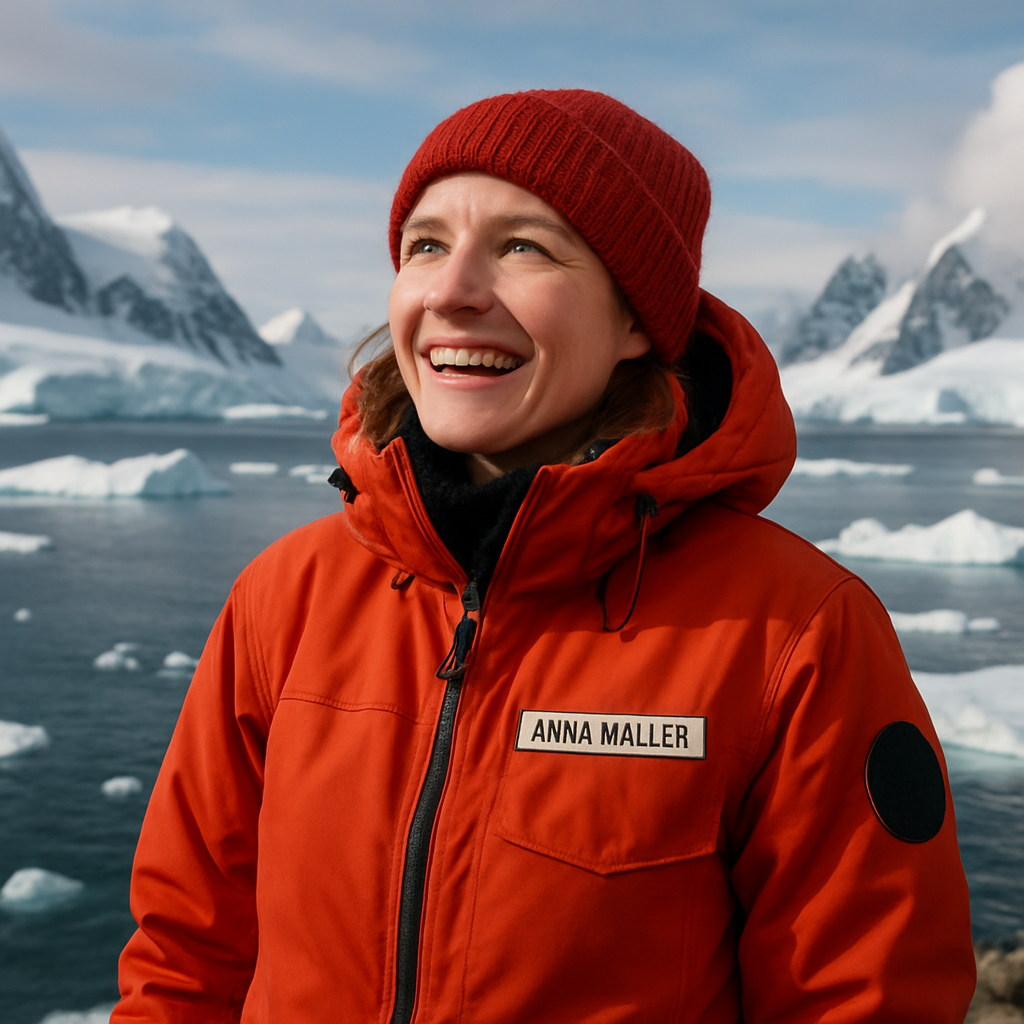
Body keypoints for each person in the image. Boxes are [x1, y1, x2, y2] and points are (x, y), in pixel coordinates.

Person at [112, 89, 976, 1023]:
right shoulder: (286, 596)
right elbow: (185, 954)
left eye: (524, 246)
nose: (451, 291)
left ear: (640, 320)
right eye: (426, 246)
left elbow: (866, 996)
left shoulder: (793, 633)